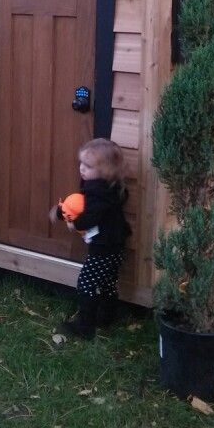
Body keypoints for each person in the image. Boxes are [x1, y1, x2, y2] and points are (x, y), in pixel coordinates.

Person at [49, 138, 131, 339]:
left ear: (106, 170)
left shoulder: (99, 193)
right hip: (115, 244)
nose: (81, 169)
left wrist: (73, 224)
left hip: (104, 247)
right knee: (107, 282)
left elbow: (89, 216)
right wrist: (62, 212)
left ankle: (85, 327)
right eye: (81, 163)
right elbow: (79, 206)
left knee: (86, 283)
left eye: (88, 166)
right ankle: (108, 315)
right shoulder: (110, 187)